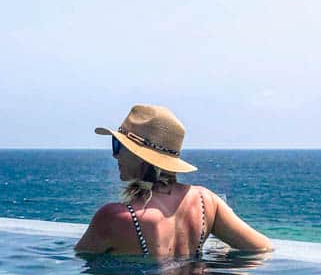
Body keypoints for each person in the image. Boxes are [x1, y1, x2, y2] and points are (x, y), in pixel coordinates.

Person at [75, 104, 272, 258]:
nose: (115, 155)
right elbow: (262, 248)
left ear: (140, 155)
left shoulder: (112, 217)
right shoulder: (206, 202)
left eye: (118, 145)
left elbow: (79, 263)